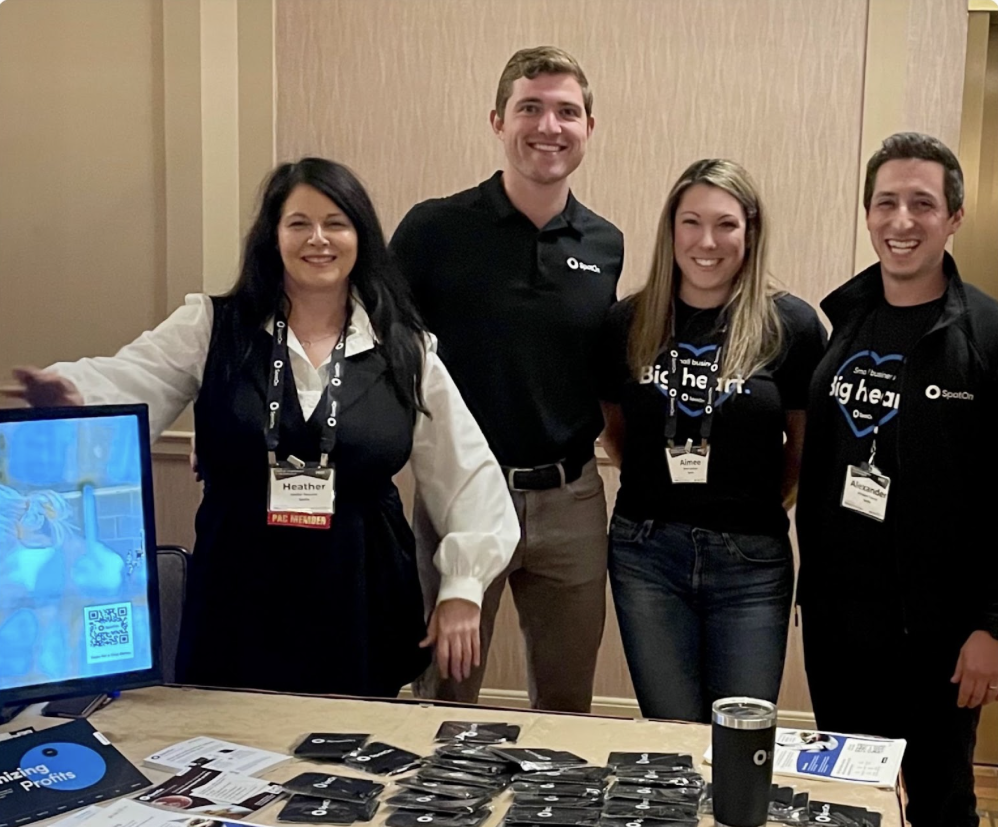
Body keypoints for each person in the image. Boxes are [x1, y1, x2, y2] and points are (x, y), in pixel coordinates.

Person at [5, 158, 519, 697]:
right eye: (299, 223)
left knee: (351, 746)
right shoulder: (211, 326)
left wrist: (463, 586)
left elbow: (467, 474)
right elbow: (130, 378)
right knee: (233, 739)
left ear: (361, 237)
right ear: (272, 236)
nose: (318, 239)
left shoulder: (405, 348)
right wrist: (75, 399)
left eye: (336, 223)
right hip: (239, 585)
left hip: (361, 592)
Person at [795, 132, 998, 827]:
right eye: (886, 202)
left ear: (954, 217)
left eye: (922, 203)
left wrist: (991, 625)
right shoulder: (845, 319)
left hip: (942, 635)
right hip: (842, 623)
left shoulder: (986, 334)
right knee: (850, 798)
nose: (902, 220)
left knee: (941, 809)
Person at [390, 46, 624, 712]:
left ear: (589, 127)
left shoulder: (605, 244)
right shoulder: (434, 229)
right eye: (530, 108)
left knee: (567, 707)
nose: (549, 126)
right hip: (461, 496)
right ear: (498, 121)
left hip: (572, 499)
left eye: (567, 112)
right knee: (445, 696)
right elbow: (372, 345)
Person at [599, 159, 826, 723]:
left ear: (750, 231)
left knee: (740, 735)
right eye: (692, 222)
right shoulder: (627, 322)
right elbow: (616, 430)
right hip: (646, 555)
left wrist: (754, 501)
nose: (707, 242)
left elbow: (803, 447)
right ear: (670, 229)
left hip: (751, 562)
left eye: (726, 224)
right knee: (672, 734)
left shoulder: (790, 326)